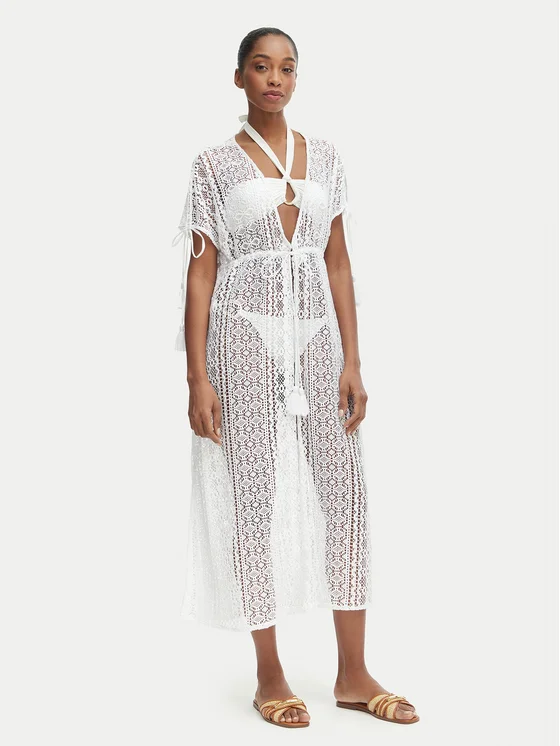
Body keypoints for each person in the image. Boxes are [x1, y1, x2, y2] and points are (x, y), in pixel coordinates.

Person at [172, 26, 419, 729]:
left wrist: (352, 359)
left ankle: (353, 673)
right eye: (261, 66)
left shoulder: (327, 156)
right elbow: (200, 273)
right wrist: (197, 377)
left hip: (317, 334)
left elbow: (338, 260)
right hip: (242, 334)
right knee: (251, 495)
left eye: (286, 68)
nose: (275, 78)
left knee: (345, 495)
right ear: (240, 78)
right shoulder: (213, 164)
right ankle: (270, 674)